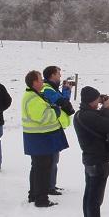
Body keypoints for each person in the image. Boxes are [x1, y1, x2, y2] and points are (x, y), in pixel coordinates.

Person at [21, 70, 69, 208]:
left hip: (39, 140)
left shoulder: (35, 96)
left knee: (37, 168)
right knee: (42, 170)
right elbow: (43, 117)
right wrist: (56, 110)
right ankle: (41, 199)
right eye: (40, 79)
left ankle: (34, 194)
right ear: (34, 82)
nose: (42, 81)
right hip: (40, 140)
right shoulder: (32, 98)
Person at [73, 86, 109, 217]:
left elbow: (100, 121)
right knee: (94, 195)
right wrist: (107, 108)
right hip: (97, 159)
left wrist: (102, 107)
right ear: (91, 101)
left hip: (91, 158)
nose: (99, 101)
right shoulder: (88, 116)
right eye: (97, 99)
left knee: (90, 193)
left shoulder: (82, 114)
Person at [41, 66, 74, 196]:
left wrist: (66, 90)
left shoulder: (52, 88)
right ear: (52, 75)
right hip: (51, 127)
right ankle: (49, 186)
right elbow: (63, 103)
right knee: (51, 159)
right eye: (58, 74)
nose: (60, 76)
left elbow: (63, 102)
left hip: (55, 126)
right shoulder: (48, 89)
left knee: (54, 159)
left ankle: (51, 185)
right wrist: (66, 91)